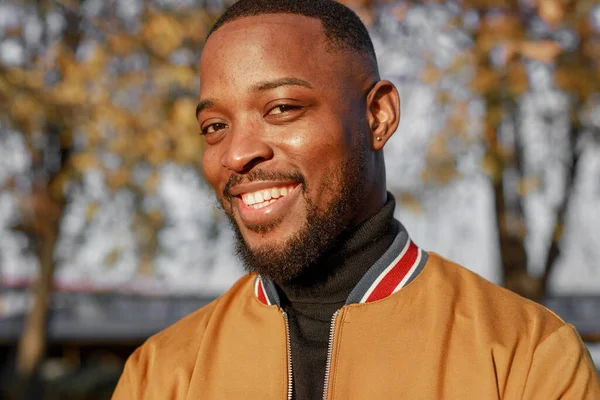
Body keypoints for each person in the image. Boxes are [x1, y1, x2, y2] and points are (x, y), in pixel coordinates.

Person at [112, 0, 600, 398]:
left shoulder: (526, 357)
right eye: (214, 126)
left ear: (379, 116)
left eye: (282, 108)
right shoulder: (160, 376)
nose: (237, 153)